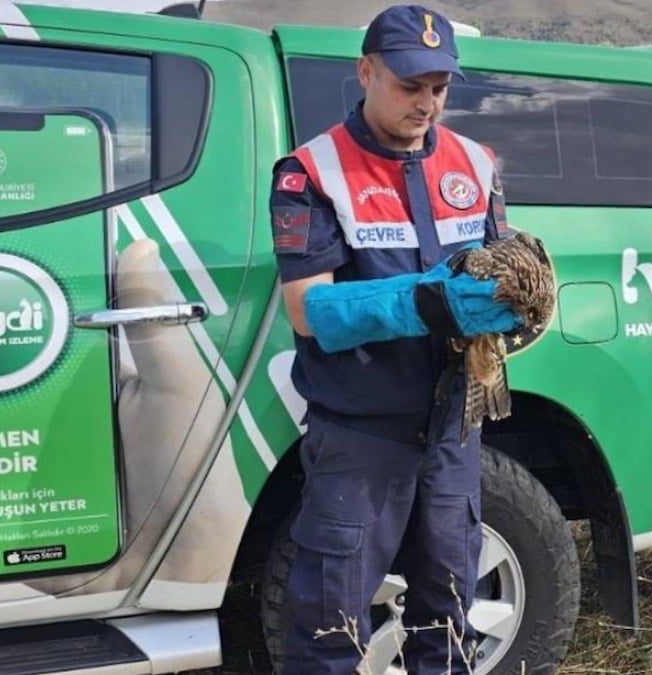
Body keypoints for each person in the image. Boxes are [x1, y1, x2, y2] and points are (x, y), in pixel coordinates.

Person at [269, 5, 524, 673]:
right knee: (329, 636)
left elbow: (497, 273)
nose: (427, 103)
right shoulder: (311, 173)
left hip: (452, 433)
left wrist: (516, 309)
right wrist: (428, 301)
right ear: (366, 71)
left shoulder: (475, 161)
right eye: (410, 85)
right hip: (360, 440)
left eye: (439, 87)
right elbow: (309, 310)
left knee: (447, 626)